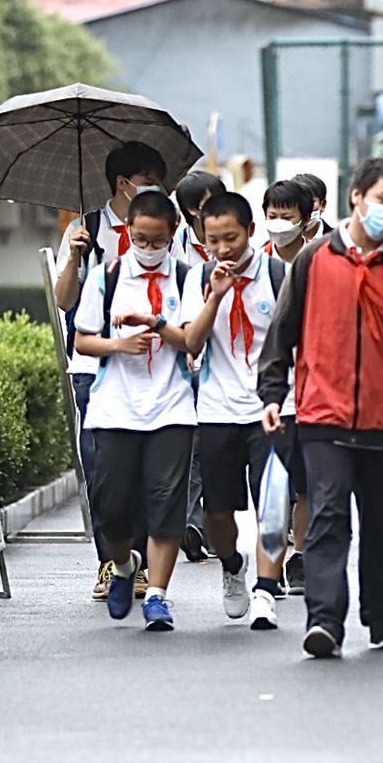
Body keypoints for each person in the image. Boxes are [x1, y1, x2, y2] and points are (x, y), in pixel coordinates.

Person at [257, 156, 383, 659]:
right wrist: (273, 395)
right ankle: (324, 622)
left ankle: (380, 618)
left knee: (380, 522)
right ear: (356, 196)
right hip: (322, 414)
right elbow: (282, 333)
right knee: (328, 518)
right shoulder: (314, 259)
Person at [70, 191, 195, 630]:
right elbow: (83, 339)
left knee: (166, 503)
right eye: (139, 237)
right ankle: (123, 565)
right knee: (111, 505)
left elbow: (194, 340)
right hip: (115, 407)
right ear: (128, 232)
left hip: (171, 406)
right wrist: (120, 345)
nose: (147, 247)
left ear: (172, 233)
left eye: (156, 239)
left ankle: (157, 595)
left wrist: (158, 325)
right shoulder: (106, 277)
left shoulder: (185, 278)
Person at [53, 140, 166, 601]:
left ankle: (137, 563)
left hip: (147, 367)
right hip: (93, 369)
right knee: (103, 469)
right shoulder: (86, 229)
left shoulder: (160, 228)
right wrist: (78, 255)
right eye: (151, 181)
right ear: (125, 183)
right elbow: (63, 300)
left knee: (142, 469)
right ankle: (111, 562)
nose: (158, 190)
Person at [172, 191, 290, 630]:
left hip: (273, 407)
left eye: (231, 238)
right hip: (218, 408)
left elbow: (294, 339)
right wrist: (215, 296)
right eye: (213, 240)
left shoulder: (280, 275)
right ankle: (231, 565)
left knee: (271, 504)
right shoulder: (198, 277)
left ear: (251, 232)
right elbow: (190, 342)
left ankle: (265, 590)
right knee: (216, 513)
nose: (223, 249)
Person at [260, 178, 329, 596]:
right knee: (272, 484)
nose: (279, 223)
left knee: (302, 483)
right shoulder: (256, 266)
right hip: (266, 393)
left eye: (287, 216)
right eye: (272, 215)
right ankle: (269, 558)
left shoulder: (320, 263)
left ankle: (300, 556)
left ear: (306, 220)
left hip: (309, 390)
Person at [172, 170, 226, 566]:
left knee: (214, 447)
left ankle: (209, 522)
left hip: (226, 362)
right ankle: (190, 525)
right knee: (190, 446)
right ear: (191, 210)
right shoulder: (176, 249)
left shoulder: (236, 243)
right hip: (187, 356)